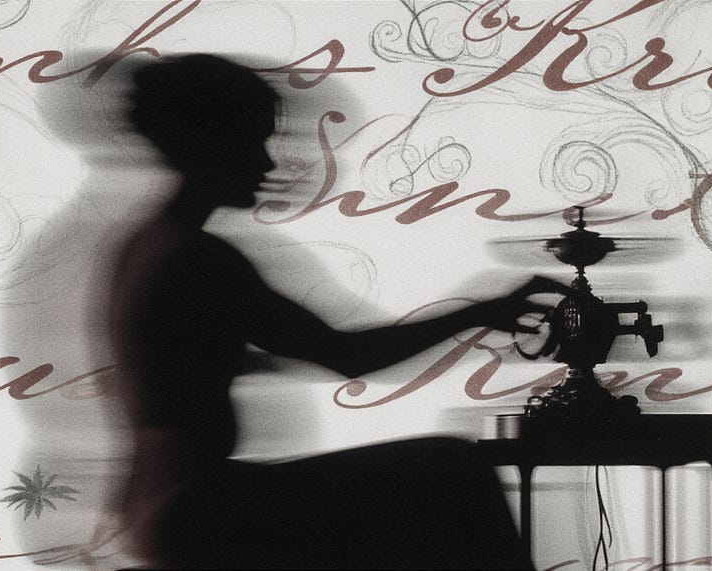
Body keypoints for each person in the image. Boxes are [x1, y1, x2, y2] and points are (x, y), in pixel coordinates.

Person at [107, 53, 554, 570]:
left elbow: (179, 366)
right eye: (253, 142)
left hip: (155, 507)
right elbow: (349, 356)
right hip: (197, 512)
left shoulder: (144, 245)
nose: (267, 164)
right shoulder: (199, 258)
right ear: (208, 143)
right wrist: (479, 313)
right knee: (454, 467)